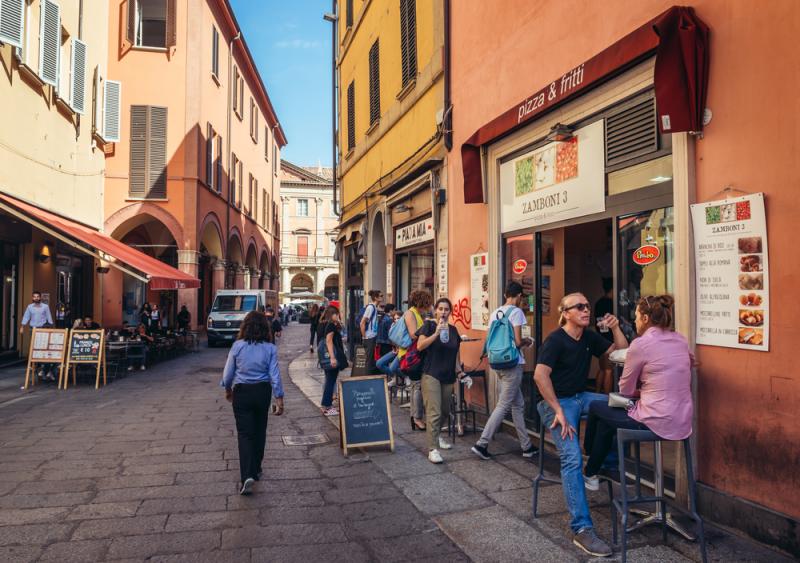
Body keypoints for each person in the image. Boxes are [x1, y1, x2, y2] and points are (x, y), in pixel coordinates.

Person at [532, 292, 628, 557]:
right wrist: (558, 411)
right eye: (580, 307)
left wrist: (617, 327)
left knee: (623, 406)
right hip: (555, 403)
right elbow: (540, 377)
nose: (587, 310)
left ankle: (600, 465)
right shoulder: (555, 340)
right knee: (572, 458)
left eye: (587, 305)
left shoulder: (588, 336)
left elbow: (620, 353)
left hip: (581, 397)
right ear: (566, 313)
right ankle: (582, 529)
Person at [583, 295, 693, 486]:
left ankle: (589, 458)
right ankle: (595, 470)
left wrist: (640, 390)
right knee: (606, 421)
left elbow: (625, 390)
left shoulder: (640, 344)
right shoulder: (680, 340)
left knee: (596, 407)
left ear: (645, 318)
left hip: (655, 420)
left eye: (636, 316)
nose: (634, 321)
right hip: (682, 421)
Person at [471, 282, 538, 460]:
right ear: (519, 296)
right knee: (504, 405)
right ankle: (482, 443)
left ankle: (526, 446)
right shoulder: (517, 313)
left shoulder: (495, 313)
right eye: (521, 298)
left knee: (518, 404)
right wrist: (528, 341)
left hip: (497, 362)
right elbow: (517, 342)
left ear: (505, 295)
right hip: (512, 363)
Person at [220, 311, 284, 495]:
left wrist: (227, 389)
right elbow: (275, 374)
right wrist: (279, 398)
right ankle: (256, 468)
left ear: (245, 327)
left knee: (245, 433)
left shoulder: (237, 346)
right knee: (260, 429)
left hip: (242, 391)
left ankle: (247, 474)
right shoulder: (270, 348)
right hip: (262, 391)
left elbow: (228, 373)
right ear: (265, 328)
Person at [416, 298, 465, 464]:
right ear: (435, 310)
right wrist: (436, 333)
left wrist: (461, 373)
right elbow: (420, 346)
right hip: (431, 374)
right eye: (441, 309)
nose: (443, 312)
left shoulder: (453, 330)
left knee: (444, 411)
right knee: (434, 412)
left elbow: (456, 356)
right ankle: (433, 449)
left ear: (450, 312)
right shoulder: (429, 326)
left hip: (448, 375)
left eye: (446, 309)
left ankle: (436, 437)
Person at [402, 289, 433, 431]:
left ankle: (416, 416)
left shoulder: (417, 313)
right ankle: (417, 418)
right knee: (417, 386)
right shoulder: (411, 313)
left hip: (416, 354)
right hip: (411, 355)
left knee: (417, 386)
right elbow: (414, 334)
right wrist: (427, 326)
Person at [20, 291, 55, 381]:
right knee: (34, 348)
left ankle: (43, 368)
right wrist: (22, 326)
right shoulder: (30, 307)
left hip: (43, 329)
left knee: (43, 348)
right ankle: (38, 367)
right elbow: (26, 316)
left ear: (40, 298)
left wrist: (51, 327)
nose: (36, 298)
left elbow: (49, 317)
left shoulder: (45, 307)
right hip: (33, 329)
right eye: (34, 297)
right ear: (32, 298)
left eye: (37, 296)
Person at [321, 306, 348, 416]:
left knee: (329, 381)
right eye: (337, 314)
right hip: (332, 357)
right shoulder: (331, 325)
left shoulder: (328, 324)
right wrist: (332, 357)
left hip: (330, 356)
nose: (338, 316)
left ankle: (326, 405)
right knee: (330, 382)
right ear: (332, 314)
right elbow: (329, 341)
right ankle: (327, 406)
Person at [594, 279, 615, 393]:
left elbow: (600, 324)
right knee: (608, 370)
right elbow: (604, 326)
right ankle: (607, 398)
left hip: (600, 340)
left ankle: (597, 393)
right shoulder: (609, 303)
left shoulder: (599, 303)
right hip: (608, 341)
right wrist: (609, 341)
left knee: (602, 369)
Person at [360, 289, 383, 373]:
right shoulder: (370, 307)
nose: (382, 298)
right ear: (376, 298)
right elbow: (362, 323)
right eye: (381, 296)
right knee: (369, 361)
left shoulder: (374, 307)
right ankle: (367, 379)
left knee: (372, 359)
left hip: (372, 336)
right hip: (369, 337)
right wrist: (364, 337)